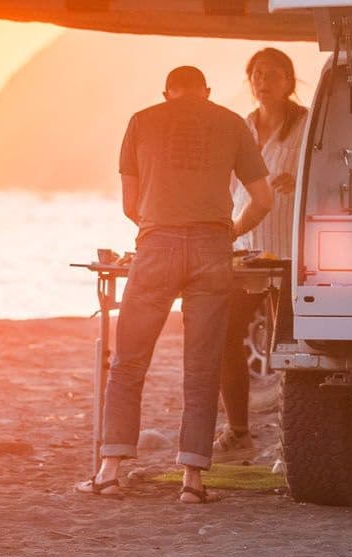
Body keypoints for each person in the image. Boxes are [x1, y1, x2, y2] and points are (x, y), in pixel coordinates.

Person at [79, 65, 273, 505]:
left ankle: (109, 471)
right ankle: (192, 481)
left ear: (167, 93)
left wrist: (161, 225)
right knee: (202, 367)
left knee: (128, 360)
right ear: (206, 92)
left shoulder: (141, 120)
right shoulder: (231, 123)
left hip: (156, 247)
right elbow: (264, 200)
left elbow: (132, 204)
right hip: (212, 248)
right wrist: (230, 231)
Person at [215, 48, 307, 461]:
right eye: (256, 74)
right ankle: (239, 432)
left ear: (290, 80)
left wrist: (300, 179)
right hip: (245, 247)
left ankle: (296, 443)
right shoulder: (240, 127)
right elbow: (226, 184)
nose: (263, 81)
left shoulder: (308, 124)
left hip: (291, 250)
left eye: (272, 74)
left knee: (292, 347)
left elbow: (330, 172)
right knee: (222, 335)